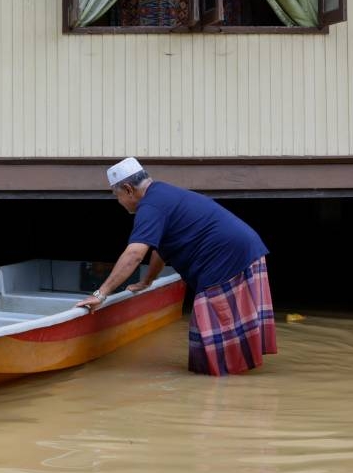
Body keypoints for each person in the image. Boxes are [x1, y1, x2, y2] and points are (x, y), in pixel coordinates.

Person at [75, 157, 277, 376]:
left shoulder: (150, 206)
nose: (119, 201)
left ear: (128, 189)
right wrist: (147, 281)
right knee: (213, 341)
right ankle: (237, 381)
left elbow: (134, 254)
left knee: (209, 348)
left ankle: (224, 389)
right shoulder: (161, 194)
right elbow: (160, 250)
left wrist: (100, 294)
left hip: (227, 259)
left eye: (117, 196)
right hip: (241, 251)